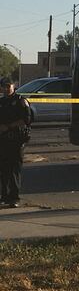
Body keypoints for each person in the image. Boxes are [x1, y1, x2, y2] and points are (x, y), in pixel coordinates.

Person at [0, 78, 32, 208]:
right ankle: (4, 196)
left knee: (14, 169)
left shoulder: (20, 101)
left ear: (14, 86)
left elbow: (27, 119)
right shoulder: (1, 102)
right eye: (4, 86)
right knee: (3, 169)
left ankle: (14, 197)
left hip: (16, 140)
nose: (6, 89)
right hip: (2, 140)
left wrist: (9, 126)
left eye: (8, 86)